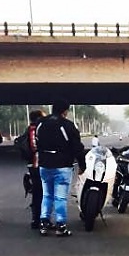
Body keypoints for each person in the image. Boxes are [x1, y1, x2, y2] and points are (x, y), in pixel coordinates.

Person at [36, 100, 86, 237]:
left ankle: (44, 223)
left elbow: (37, 143)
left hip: (44, 164)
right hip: (62, 165)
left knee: (47, 195)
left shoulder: (40, 123)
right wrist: (82, 165)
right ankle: (60, 225)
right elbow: (77, 147)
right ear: (65, 111)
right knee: (60, 197)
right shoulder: (68, 125)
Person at [20, 109, 46, 229]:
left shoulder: (33, 128)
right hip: (36, 164)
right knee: (39, 192)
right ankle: (37, 219)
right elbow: (34, 146)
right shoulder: (33, 129)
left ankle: (39, 218)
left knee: (39, 192)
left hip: (36, 164)